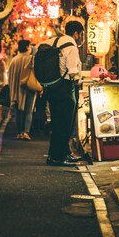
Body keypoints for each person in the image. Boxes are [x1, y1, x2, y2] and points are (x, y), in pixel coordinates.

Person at [43, 20, 85, 166]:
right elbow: (73, 72)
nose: (82, 38)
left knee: (57, 122)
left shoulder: (55, 41)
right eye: (82, 34)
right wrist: (80, 80)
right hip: (65, 87)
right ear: (76, 33)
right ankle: (58, 157)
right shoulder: (71, 46)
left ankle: (60, 154)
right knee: (65, 124)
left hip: (52, 87)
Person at [8, 39, 38, 140]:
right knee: (29, 111)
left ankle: (19, 132)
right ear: (26, 47)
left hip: (18, 89)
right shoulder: (31, 59)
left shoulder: (14, 60)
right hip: (30, 87)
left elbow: (10, 77)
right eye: (29, 46)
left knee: (19, 111)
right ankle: (26, 132)